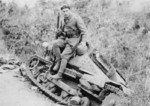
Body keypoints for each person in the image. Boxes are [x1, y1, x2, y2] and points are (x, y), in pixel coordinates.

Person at [51, 4, 88, 79]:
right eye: (63, 11)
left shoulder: (76, 18)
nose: (65, 13)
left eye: (67, 11)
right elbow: (62, 30)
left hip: (74, 40)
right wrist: (59, 31)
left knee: (64, 55)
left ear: (70, 10)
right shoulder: (64, 19)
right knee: (55, 44)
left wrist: (83, 42)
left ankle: (59, 74)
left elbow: (84, 31)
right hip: (66, 39)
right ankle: (58, 62)